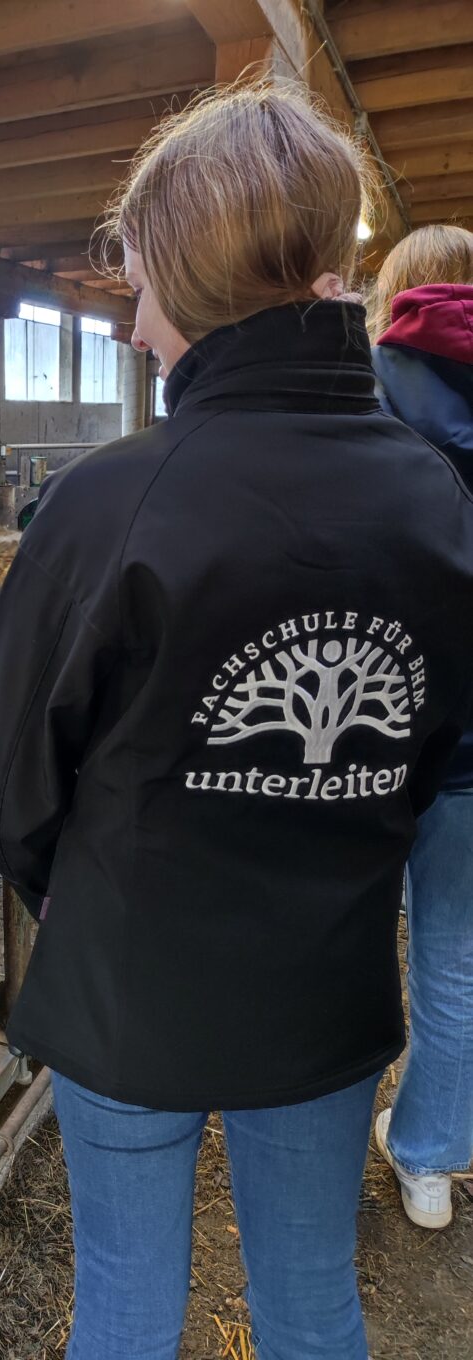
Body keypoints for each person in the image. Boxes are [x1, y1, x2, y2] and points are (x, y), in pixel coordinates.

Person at [0, 84, 473, 1360]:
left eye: (136, 288)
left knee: (126, 1304)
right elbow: (438, 748)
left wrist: (82, 894)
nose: (132, 328)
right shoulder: (435, 500)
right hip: (320, 989)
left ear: (189, 280)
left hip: (126, 987)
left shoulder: (103, 506)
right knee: (309, 1296)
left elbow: (11, 771)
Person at [367, 224, 473, 1229]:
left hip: (365, 728)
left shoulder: (358, 394)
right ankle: (430, 1161)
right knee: (455, 958)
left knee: (342, 944)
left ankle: (307, 1139)